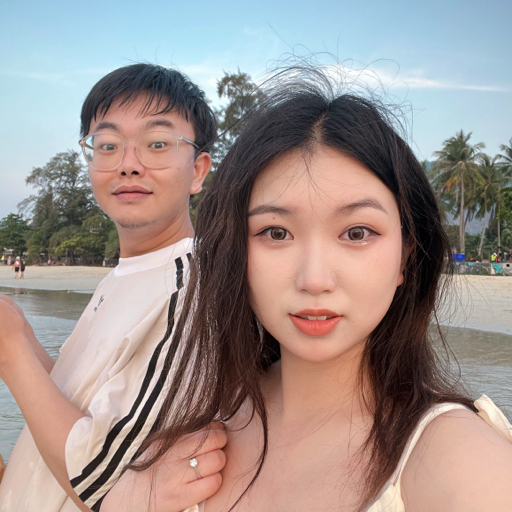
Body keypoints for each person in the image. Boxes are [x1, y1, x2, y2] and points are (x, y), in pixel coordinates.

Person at [104, 69, 512, 512]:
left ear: (405, 258)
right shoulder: (193, 428)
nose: (314, 279)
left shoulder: (456, 458)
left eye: (357, 232)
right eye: (276, 232)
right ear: (235, 251)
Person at [0, 63, 226, 512]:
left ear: (198, 171)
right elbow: (79, 402)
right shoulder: (128, 273)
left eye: (157, 144)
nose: (128, 165)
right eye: (107, 145)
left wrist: (11, 350)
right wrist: (20, 329)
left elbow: (101, 485)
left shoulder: (192, 292)